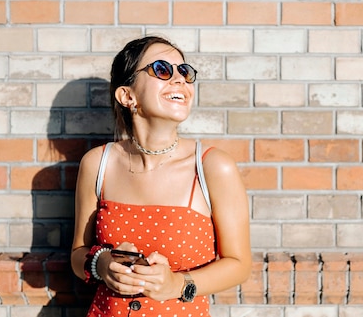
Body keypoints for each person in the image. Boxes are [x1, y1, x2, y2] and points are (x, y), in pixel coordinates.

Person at [71, 36, 251, 317]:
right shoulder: (98, 163)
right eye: (162, 69)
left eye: (185, 72)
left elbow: (239, 264)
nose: (180, 79)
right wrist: (102, 264)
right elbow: (78, 252)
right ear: (127, 95)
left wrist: (177, 284)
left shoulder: (212, 166)